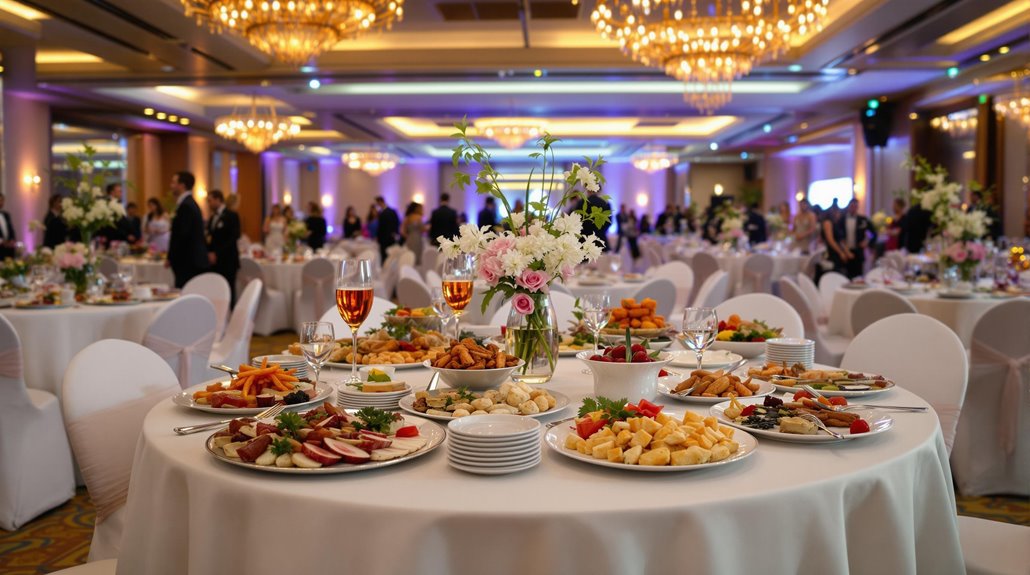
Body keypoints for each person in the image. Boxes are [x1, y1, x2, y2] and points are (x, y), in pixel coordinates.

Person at [167, 171, 209, 288]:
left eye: (174, 182)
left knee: (186, 292)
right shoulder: (189, 203)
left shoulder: (186, 205)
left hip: (187, 260)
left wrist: (171, 256)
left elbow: (182, 235)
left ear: (182, 185)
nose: (171, 185)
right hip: (190, 259)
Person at [206, 190, 241, 304]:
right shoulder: (212, 218)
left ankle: (230, 316)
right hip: (215, 261)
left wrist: (217, 253)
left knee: (229, 289)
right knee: (217, 290)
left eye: (210, 201)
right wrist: (210, 252)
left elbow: (234, 237)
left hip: (228, 259)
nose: (209, 204)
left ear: (218, 200)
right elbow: (211, 238)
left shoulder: (232, 215)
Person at [841, 199, 873, 279]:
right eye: (852, 206)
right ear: (849, 207)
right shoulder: (842, 220)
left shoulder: (863, 219)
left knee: (858, 276)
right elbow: (839, 237)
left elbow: (873, 233)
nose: (853, 208)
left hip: (858, 252)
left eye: (855, 206)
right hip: (846, 251)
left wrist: (867, 241)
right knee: (846, 275)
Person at [820, 206, 850, 278]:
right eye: (838, 212)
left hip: (836, 251)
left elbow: (840, 240)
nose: (839, 215)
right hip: (831, 252)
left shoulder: (836, 224)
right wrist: (841, 252)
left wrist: (846, 251)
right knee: (833, 274)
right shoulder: (828, 222)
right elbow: (830, 240)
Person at [375, 196, 400, 262]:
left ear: (380, 202)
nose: (378, 205)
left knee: (386, 257)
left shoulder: (386, 212)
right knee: (388, 256)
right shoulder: (391, 211)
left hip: (386, 239)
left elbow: (381, 227)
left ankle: (385, 270)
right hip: (388, 238)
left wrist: (378, 237)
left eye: (378, 203)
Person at [0, 193, 17, 259]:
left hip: (9, 249)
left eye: (2, 200)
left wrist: (12, 240)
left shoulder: (6, 215)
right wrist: (2, 242)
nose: (0, 202)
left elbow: (11, 229)